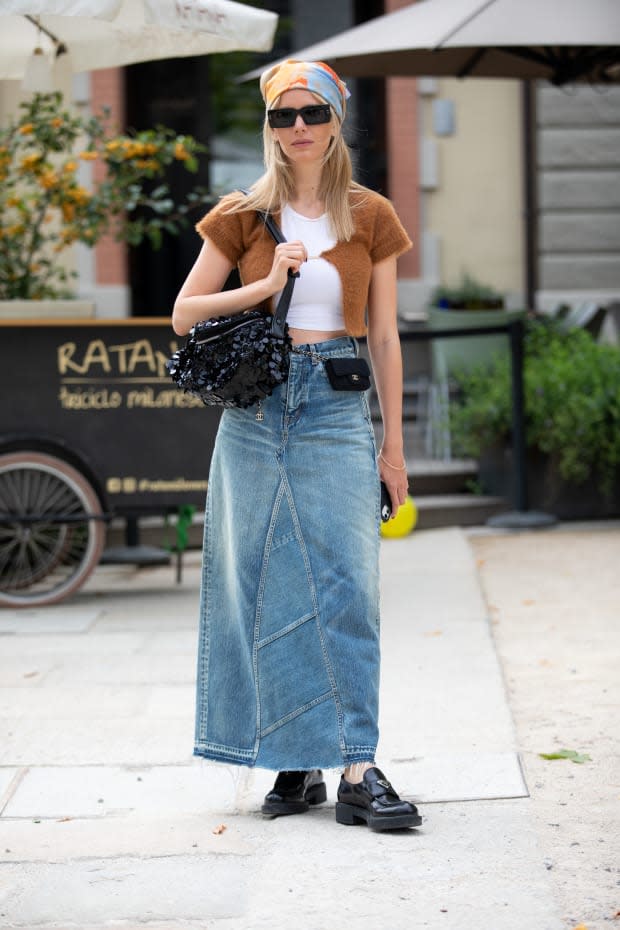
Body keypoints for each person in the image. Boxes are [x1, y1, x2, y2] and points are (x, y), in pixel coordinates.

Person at [172, 59, 421, 832]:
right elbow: (184, 313)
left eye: (312, 113)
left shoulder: (368, 213)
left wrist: (395, 449)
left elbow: (383, 333)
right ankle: (293, 760)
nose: (299, 128)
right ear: (270, 127)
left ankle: (356, 764)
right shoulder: (243, 213)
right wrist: (263, 283)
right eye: (284, 116)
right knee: (258, 581)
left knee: (349, 583)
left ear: (337, 120)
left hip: (337, 405)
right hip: (255, 409)